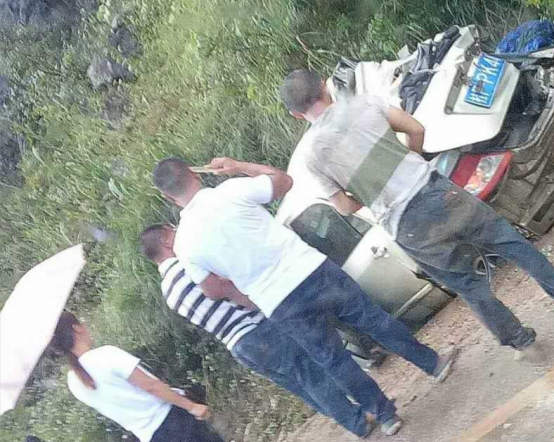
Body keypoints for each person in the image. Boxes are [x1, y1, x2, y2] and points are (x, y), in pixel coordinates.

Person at [280, 69, 554, 351]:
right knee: (510, 243)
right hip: (437, 192)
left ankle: (517, 337)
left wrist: (370, 193)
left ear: (296, 114)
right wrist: (407, 161)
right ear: (323, 84)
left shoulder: (313, 157)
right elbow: (416, 129)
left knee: (467, 284)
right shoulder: (365, 104)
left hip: (406, 225)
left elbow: (344, 207)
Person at [151, 156, 458, 436]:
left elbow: (213, 290)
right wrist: (239, 166)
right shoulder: (230, 191)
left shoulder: (186, 245)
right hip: (310, 269)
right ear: (194, 173)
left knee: (333, 360)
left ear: (168, 196)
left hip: (276, 302)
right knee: (373, 320)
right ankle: (433, 364)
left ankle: (385, 415)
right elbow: (283, 181)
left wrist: (244, 289)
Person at [139, 224, 374, 438]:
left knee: (300, 385)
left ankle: (351, 418)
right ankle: (358, 421)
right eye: (174, 232)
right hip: (256, 328)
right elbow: (227, 286)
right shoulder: (188, 265)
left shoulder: (169, 293)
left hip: (238, 345)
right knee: (312, 375)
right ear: (167, 241)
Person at [49, 311, 222, 442]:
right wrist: (190, 406)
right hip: (174, 421)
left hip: (149, 436)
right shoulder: (104, 355)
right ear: (76, 328)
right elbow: (150, 386)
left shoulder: (74, 382)